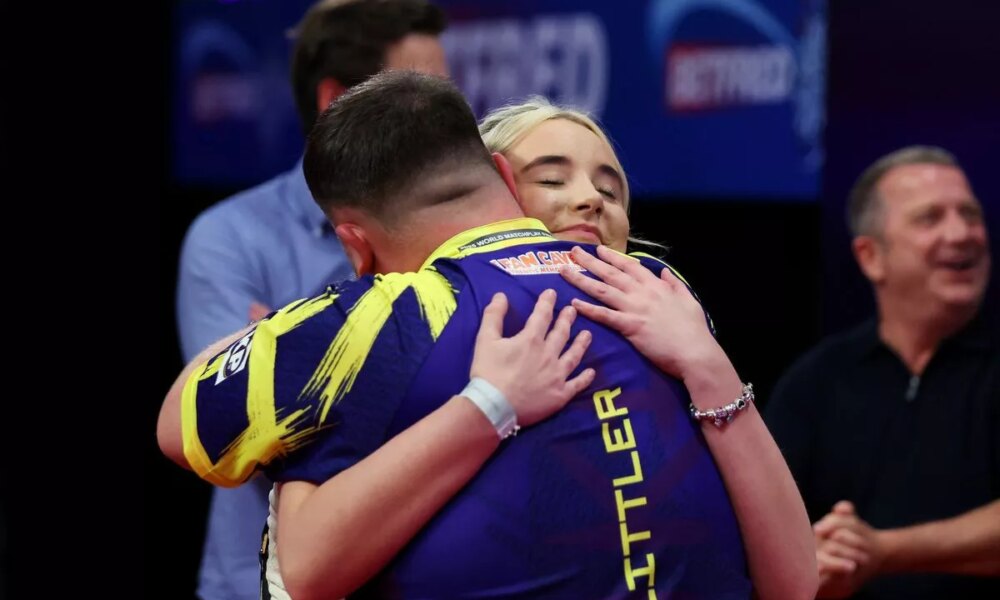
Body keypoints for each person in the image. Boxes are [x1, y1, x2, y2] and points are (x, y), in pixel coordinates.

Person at [161, 72, 816, 599]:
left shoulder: (655, 297)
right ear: (505, 182)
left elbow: (185, 434)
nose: (587, 201)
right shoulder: (653, 287)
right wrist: (486, 407)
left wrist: (711, 366)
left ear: (354, 246)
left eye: (610, 185)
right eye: (553, 179)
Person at [174, 2, 448, 598]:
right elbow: (235, 429)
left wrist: (283, 344)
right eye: (421, 100)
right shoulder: (228, 238)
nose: (452, 122)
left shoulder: (452, 237)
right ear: (336, 102)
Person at [765, 145, 1000, 599]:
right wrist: (809, 556)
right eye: (931, 218)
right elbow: (761, 522)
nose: (962, 233)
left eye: (970, 215)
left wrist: (884, 551)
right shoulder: (817, 380)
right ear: (871, 256)